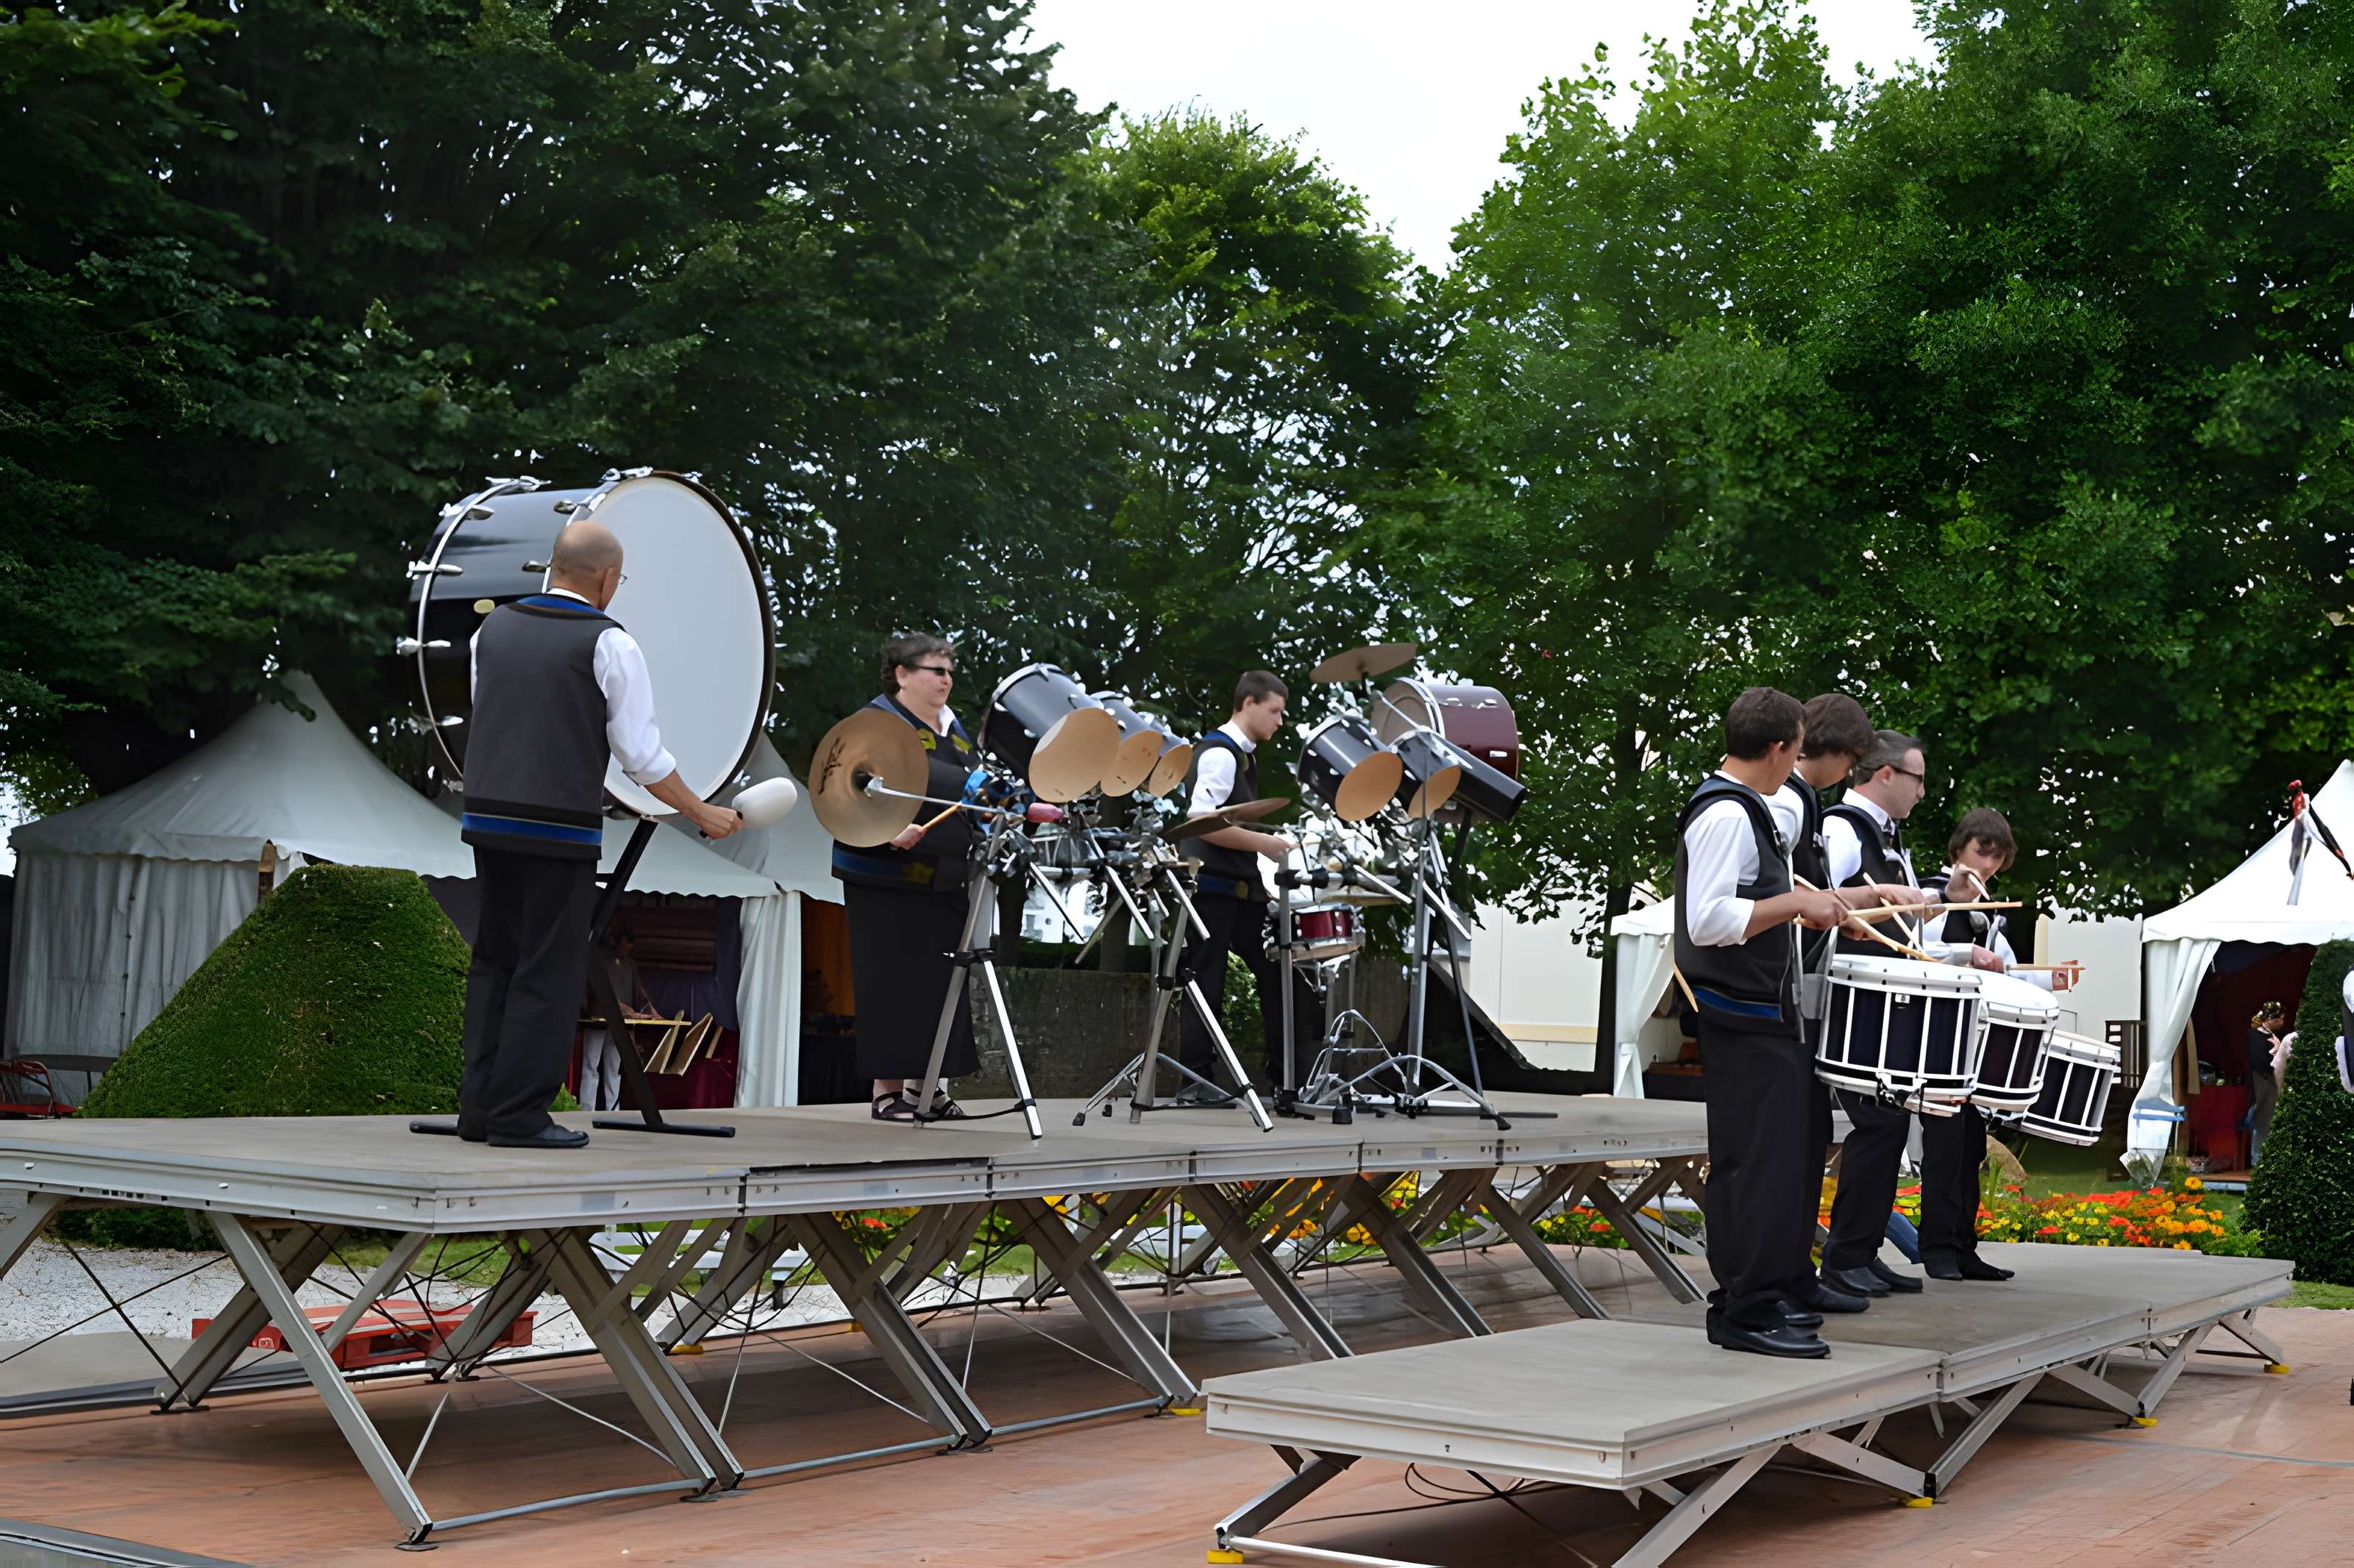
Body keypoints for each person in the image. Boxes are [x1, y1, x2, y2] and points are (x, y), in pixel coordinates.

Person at [458, 519, 740, 1150]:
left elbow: (493, 715)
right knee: (547, 967)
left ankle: (477, 1109)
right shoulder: (610, 643)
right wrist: (702, 811)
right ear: (609, 579)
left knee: (494, 959)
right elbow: (641, 758)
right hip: (557, 826)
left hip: (487, 820)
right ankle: (518, 1117)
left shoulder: (491, 629)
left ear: (551, 566)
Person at [1676, 688, 1902, 1358]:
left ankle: (1767, 1294)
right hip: (1739, 1013)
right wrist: (1794, 903)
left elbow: (1748, 905)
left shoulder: (1748, 810)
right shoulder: (1725, 814)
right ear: (1778, 749)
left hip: (1763, 1010)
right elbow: (1708, 921)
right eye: (1797, 751)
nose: (1797, 766)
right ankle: (1742, 1309)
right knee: (1751, 1164)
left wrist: (1802, 904)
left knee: (1774, 1162)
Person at [1816, 729, 1965, 1297]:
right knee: (1878, 1125)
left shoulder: (1890, 838)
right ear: (1885, 775)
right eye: (1917, 779)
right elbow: (1823, 903)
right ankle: (1844, 1257)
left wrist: (1938, 898)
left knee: (1892, 1124)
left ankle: (1860, 1249)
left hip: (1882, 1001)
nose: (1922, 793)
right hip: (1850, 1003)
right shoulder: (1841, 829)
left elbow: (1907, 928)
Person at [829, 634, 985, 1122]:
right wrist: (887, 829)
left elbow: (973, 784)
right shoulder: (874, 722)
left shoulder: (956, 728)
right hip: (885, 878)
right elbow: (837, 788)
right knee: (892, 982)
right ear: (901, 673)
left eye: (949, 670)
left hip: (946, 875)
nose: (945, 679)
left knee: (941, 983)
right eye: (934, 670)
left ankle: (928, 1087)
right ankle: (887, 1091)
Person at [1917, 808, 2072, 1280]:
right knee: (1944, 1148)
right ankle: (1938, 1249)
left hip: (1974, 1045)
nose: (1987, 866)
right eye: (1981, 852)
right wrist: (1968, 954)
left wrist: (2050, 981)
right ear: (1958, 849)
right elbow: (1912, 951)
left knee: (1970, 1148)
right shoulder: (1929, 894)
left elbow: (2006, 972)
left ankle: (1964, 1247)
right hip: (1934, 1041)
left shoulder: (1990, 912)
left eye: (1997, 857)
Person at [1173, 671, 1312, 1106]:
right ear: (1248, 703)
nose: (1280, 721)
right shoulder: (1220, 753)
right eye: (1274, 711)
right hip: (1210, 890)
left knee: (1279, 972)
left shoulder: (1242, 757)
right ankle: (1196, 1082)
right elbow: (1201, 819)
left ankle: (1287, 1075)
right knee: (1206, 981)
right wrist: (1266, 845)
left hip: (1235, 890)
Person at [576, 931, 656, 1112]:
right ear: (617, 943)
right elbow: (596, 993)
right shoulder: (599, 961)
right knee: (591, 1066)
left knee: (614, 1068)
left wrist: (651, 1012)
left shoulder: (629, 964)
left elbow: (639, 992)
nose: (626, 952)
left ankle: (613, 1108)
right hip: (597, 1020)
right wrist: (626, 1010)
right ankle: (586, 1110)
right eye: (624, 947)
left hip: (621, 1024)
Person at [2246, 1000, 2286, 1164]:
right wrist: (2276, 1057)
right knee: (2262, 1119)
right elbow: (2259, 1062)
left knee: (2271, 1119)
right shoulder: (2255, 1035)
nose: (2281, 1023)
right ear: (2268, 1019)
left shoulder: (2272, 1035)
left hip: (2272, 1082)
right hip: (2262, 1083)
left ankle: (2270, 1158)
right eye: (2278, 1020)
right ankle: (2258, 1159)